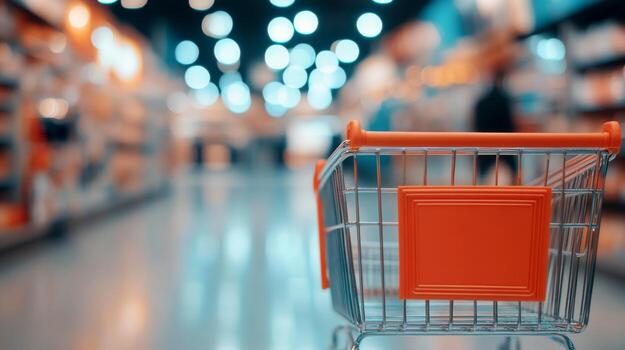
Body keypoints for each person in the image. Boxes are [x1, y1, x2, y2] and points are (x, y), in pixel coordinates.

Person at [473, 70, 517, 179]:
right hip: (506, 151)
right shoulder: (506, 100)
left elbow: (477, 127)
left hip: (485, 152)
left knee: (489, 186)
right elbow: (511, 125)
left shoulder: (480, 102)